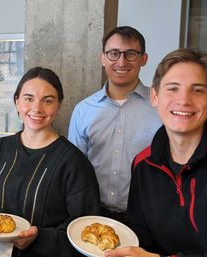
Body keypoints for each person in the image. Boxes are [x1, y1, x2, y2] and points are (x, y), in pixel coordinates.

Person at [0, 67, 101, 257]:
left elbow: (85, 232)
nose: (37, 108)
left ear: (59, 105)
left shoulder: (74, 163)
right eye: (29, 99)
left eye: (48, 100)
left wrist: (40, 238)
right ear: (17, 102)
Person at [105, 48, 207, 257]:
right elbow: (142, 241)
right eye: (173, 88)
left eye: (197, 90)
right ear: (154, 96)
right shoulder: (143, 165)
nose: (184, 100)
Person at [68, 26, 161, 223]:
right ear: (103, 58)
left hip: (147, 218)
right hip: (92, 215)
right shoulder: (83, 110)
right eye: (113, 53)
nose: (121, 61)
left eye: (131, 54)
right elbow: (74, 171)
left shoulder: (161, 108)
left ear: (143, 59)